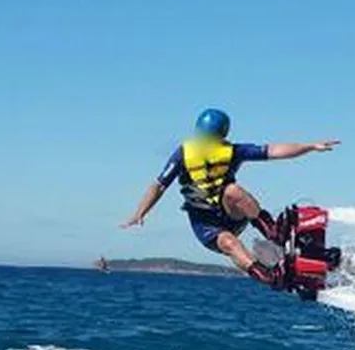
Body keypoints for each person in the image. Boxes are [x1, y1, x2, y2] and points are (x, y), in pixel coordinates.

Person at [120, 109, 340, 288]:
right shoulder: (183, 155)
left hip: (231, 213)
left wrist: (310, 146)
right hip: (206, 225)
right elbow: (158, 185)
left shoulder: (233, 151)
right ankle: (269, 275)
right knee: (229, 243)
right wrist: (140, 213)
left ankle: (274, 232)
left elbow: (274, 151)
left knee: (232, 190)